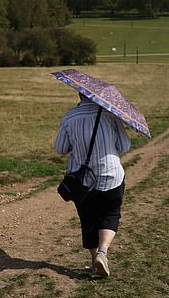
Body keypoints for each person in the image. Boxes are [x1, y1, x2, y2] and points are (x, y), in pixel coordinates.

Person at [55, 93, 131, 278]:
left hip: (82, 182)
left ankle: (93, 261)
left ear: (80, 94)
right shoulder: (110, 114)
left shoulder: (70, 116)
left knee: (88, 219)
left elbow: (61, 148)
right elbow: (124, 145)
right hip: (111, 176)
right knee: (111, 213)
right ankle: (102, 253)